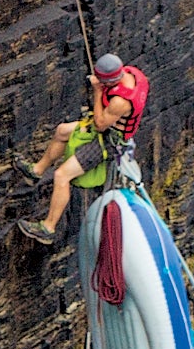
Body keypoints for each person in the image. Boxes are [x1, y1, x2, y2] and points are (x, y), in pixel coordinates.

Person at [19, 54, 151, 247]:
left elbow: (99, 125)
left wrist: (98, 91)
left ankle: (48, 228)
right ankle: (36, 171)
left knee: (61, 176)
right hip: (107, 128)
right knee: (62, 131)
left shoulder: (120, 102)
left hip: (108, 142)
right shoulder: (133, 73)